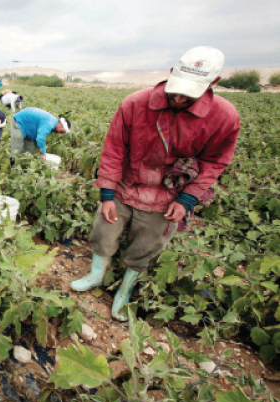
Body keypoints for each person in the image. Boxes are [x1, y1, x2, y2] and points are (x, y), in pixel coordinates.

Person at [70, 46, 240, 321]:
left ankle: (125, 290)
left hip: (168, 195)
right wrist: (107, 194)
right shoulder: (135, 104)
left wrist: (188, 198)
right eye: (177, 88)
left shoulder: (224, 117)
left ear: (214, 83)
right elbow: (113, 150)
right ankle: (96, 275)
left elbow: (215, 162)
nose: (179, 97)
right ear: (171, 73)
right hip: (127, 186)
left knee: (146, 245)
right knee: (104, 232)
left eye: (190, 92)